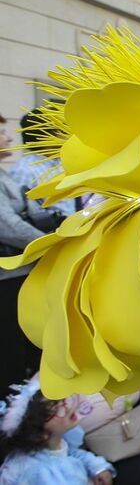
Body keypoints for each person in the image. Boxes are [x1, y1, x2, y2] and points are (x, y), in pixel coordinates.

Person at [0, 115, 47, 400]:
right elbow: (6, 224)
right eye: (2, 132)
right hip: (7, 276)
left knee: (27, 346)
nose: (7, 137)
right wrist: (48, 241)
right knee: (12, 352)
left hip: (21, 271)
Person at [0, 377, 115, 484]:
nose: (66, 408)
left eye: (61, 402)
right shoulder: (41, 473)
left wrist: (97, 467)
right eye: (55, 411)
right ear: (39, 435)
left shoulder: (55, 443)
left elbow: (72, 452)